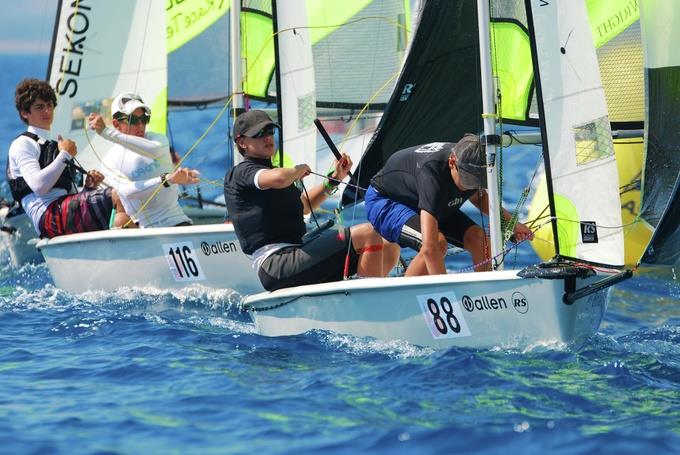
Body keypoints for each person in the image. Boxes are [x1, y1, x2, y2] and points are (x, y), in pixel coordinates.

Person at [224, 110, 399, 292]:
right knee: (369, 233)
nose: (267, 137)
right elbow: (279, 178)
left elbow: (305, 206)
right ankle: (366, 300)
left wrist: (334, 179)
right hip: (276, 264)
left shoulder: (276, 174)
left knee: (388, 241)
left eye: (269, 131)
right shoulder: (242, 172)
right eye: (258, 134)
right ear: (242, 142)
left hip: (298, 253)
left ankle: (366, 297)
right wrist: (298, 170)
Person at [365, 134, 534, 276]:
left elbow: (480, 197)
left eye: (477, 181)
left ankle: (485, 298)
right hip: (386, 202)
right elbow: (430, 248)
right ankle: (403, 302)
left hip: (429, 202)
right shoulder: (432, 174)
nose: (469, 186)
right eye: (468, 180)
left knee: (480, 240)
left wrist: (511, 223)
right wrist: (446, 294)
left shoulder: (472, 160)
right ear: (452, 162)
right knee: (437, 243)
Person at [6, 78, 129, 238]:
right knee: (119, 196)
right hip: (48, 218)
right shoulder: (23, 144)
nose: (47, 111)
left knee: (129, 194)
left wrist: (88, 189)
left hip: (63, 211)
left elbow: (70, 194)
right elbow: (39, 186)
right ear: (24, 113)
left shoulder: (54, 145)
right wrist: (64, 154)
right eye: (39, 107)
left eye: (50, 105)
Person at [88, 92, 200, 228]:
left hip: (176, 221)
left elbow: (154, 151)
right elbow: (127, 191)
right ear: (116, 124)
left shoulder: (158, 140)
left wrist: (107, 132)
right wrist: (168, 179)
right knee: (119, 221)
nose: (140, 125)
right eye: (133, 120)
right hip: (144, 230)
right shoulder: (109, 160)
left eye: (144, 119)